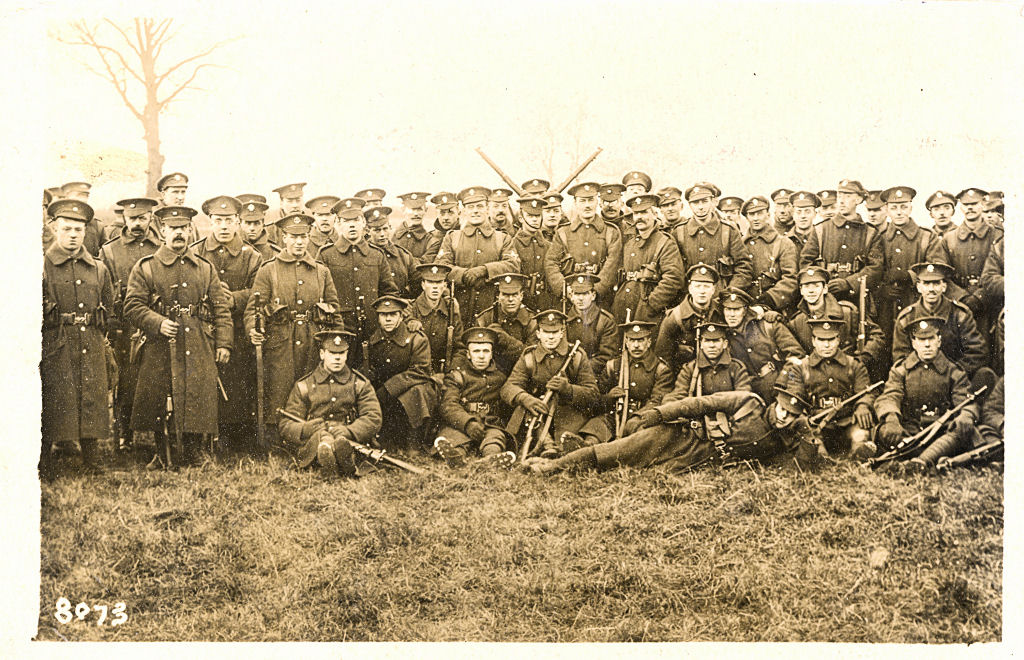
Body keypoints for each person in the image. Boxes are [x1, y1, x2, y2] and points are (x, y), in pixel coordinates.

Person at [123, 205, 233, 468]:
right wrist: (157, 322)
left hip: (198, 341)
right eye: (173, 229)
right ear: (162, 231)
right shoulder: (146, 268)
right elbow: (132, 306)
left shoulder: (205, 268)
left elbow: (221, 307)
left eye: (183, 228)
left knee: (197, 393)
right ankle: (162, 452)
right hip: (160, 344)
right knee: (160, 396)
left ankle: (194, 451)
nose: (179, 234)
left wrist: (224, 343)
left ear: (190, 230)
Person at [523, 379, 801, 476]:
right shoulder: (747, 402)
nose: (783, 417)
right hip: (680, 435)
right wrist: (656, 415)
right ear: (774, 401)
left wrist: (806, 430)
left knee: (633, 471)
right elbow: (698, 404)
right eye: (781, 409)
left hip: (700, 460)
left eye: (790, 416)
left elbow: (804, 465)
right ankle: (552, 466)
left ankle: (561, 460)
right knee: (617, 451)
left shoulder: (781, 440)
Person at [245, 213, 340, 451]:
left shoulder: (321, 271)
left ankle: (311, 438)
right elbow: (253, 309)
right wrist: (254, 330)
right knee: (279, 389)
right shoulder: (269, 270)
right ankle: (276, 441)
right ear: (284, 238)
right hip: (280, 341)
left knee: (312, 389)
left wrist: (334, 343)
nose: (299, 242)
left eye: (304, 237)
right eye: (293, 237)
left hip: (313, 339)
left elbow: (334, 308)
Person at [41, 199, 115, 477]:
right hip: (55, 342)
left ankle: (92, 459)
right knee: (54, 398)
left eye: (79, 230)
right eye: (67, 229)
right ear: (55, 229)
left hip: (91, 342)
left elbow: (108, 306)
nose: (73, 235)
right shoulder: (42, 266)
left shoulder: (98, 269)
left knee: (91, 397)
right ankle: (44, 461)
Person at [193, 195, 264, 455]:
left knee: (238, 380)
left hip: (238, 328)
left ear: (238, 222)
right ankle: (210, 434)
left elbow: (259, 292)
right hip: (204, 327)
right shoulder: (197, 251)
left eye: (229, 220)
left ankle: (238, 435)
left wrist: (233, 298)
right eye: (218, 220)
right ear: (210, 221)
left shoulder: (251, 256)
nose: (224, 226)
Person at [874, 317, 979, 473]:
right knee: (885, 430)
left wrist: (966, 415)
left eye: (931, 338)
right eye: (921, 340)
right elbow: (890, 395)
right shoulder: (901, 370)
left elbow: (965, 401)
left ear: (939, 341)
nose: (927, 345)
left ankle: (919, 461)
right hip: (909, 431)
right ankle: (926, 458)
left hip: (940, 432)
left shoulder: (953, 371)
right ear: (913, 343)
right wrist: (891, 417)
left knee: (961, 430)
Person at [99, 197, 162, 452]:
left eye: (143, 218)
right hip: (122, 325)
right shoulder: (110, 251)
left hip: (153, 322)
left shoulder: (160, 247)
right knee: (124, 380)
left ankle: (158, 433)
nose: (137, 224)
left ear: (150, 219)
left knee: (153, 377)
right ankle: (124, 434)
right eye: (133, 218)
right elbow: (103, 288)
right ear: (124, 218)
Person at [278, 329, 383, 478]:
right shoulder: (304, 385)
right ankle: (333, 459)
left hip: (349, 439)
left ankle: (339, 459)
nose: (337, 358)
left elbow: (373, 417)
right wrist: (304, 429)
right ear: (322, 354)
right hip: (315, 441)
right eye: (332, 353)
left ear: (347, 355)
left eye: (341, 354)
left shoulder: (359, 384)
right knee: (323, 441)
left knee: (342, 443)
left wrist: (350, 431)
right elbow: (286, 424)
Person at [500, 309, 600, 458]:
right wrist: (525, 398)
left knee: (570, 441)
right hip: (537, 414)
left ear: (562, 332)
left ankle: (561, 446)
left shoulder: (577, 355)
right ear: (538, 333)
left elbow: (593, 394)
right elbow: (509, 387)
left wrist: (569, 389)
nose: (551, 337)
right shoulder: (529, 356)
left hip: (568, 415)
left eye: (555, 332)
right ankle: (546, 445)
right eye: (546, 332)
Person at [776, 318, 877, 461]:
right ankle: (821, 457)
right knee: (812, 442)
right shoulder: (800, 368)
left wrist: (863, 405)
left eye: (831, 339)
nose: (827, 345)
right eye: (821, 340)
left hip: (846, 421)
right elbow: (795, 396)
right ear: (813, 341)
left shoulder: (854, 365)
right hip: (817, 425)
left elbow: (866, 392)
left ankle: (858, 455)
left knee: (860, 434)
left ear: (838, 340)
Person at [564, 320, 674, 448]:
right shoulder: (614, 366)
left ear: (649, 342)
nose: (636, 345)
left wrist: (636, 418)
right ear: (626, 342)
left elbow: (657, 401)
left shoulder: (661, 369)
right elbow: (596, 398)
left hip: (642, 418)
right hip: (615, 415)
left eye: (640, 340)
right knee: (597, 426)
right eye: (632, 340)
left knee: (642, 436)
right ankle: (586, 446)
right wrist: (609, 398)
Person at [316, 199, 398, 363]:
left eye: (356, 220)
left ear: (363, 223)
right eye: (346, 221)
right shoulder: (326, 254)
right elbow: (319, 295)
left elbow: (389, 292)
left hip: (373, 331)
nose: (351, 225)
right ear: (338, 223)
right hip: (340, 331)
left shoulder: (376, 255)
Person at [434, 327, 516, 468]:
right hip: (462, 424)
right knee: (453, 438)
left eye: (486, 351)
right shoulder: (457, 376)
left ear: (492, 354)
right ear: (468, 354)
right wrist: (467, 423)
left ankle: (491, 460)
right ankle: (456, 458)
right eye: (476, 351)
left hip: (490, 423)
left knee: (494, 440)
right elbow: (449, 405)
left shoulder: (500, 377)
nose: (481, 356)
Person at [782, 266, 885, 378]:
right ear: (801, 290)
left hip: (849, 376)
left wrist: (862, 358)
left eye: (816, 286)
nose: (811, 291)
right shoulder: (797, 322)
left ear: (825, 288)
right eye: (806, 286)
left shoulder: (847, 312)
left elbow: (877, 336)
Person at [364, 295, 438, 452]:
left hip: (408, 393)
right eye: (384, 315)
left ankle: (414, 441)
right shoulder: (373, 341)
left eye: (393, 314)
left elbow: (420, 371)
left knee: (417, 391)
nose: (388, 319)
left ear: (401, 316)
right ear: (378, 317)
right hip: (387, 398)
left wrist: (389, 388)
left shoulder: (417, 339)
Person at [436, 186, 520, 321]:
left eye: (480, 206)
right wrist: (462, 275)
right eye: (470, 207)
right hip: (458, 310)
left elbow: (513, 265)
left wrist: (485, 270)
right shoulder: (452, 237)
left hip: (491, 310)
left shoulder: (502, 238)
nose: (475, 211)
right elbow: (440, 267)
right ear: (463, 211)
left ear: (487, 209)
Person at [874, 186, 943, 347]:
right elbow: (872, 269)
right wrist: (881, 288)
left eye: (904, 207)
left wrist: (910, 276)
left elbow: (937, 268)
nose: (899, 212)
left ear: (911, 208)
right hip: (885, 307)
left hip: (917, 304)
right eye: (894, 208)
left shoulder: (926, 237)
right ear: (887, 210)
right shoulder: (879, 237)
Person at [891, 262, 987, 378]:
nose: (931, 289)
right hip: (919, 380)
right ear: (919, 287)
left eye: (936, 283)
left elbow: (976, 352)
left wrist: (952, 375)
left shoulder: (960, 315)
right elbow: (901, 358)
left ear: (944, 287)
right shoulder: (906, 318)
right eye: (926, 283)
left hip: (954, 380)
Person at [799, 179, 883, 304]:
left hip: (858, 299)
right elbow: (806, 262)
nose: (842, 201)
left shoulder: (870, 233)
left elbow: (875, 268)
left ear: (859, 200)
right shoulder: (821, 229)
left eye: (847, 196)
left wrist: (849, 283)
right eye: (839, 196)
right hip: (823, 298)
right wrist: (822, 284)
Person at [936, 188, 1001, 343]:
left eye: (974, 203)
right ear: (960, 207)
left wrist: (980, 297)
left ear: (983, 205)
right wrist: (962, 297)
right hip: (960, 307)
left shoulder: (998, 235)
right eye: (966, 204)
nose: (970, 208)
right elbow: (942, 274)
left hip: (990, 305)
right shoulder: (949, 239)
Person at [544, 182, 623, 309]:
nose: (587, 205)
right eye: (582, 201)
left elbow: (612, 265)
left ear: (597, 201)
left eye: (591, 200)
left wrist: (594, 292)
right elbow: (551, 263)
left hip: (601, 301)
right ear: (575, 203)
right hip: (571, 301)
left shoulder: (611, 232)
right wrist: (567, 290)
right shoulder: (563, 232)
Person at [611, 193, 684, 326]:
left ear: (654, 214)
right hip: (622, 307)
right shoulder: (629, 242)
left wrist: (650, 305)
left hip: (649, 313)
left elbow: (673, 279)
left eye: (644, 212)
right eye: (636, 213)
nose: (639, 217)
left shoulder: (665, 242)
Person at [719, 288, 803, 403]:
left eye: (737, 309)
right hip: (747, 394)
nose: (731, 315)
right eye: (728, 309)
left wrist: (783, 380)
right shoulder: (723, 336)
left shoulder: (768, 325)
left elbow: (797, 356)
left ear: (745, 310)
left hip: (779, 389)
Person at [672, 183, 752, 293]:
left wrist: (729, 294)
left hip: (721, 297)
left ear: (713, 202)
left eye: (705, 201)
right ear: (690, 205)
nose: (700, 207)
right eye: (695, 202)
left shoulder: (728, 231)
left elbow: (744, 267)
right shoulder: (679, 232)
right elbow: (673, 270)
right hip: (688, 297)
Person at [655, 264, 722, 374]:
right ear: (690, 288)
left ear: (713, 289)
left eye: (706, 286)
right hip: (684, 377)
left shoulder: (721, 312)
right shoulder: (675, 317)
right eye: (698, 286)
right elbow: (663, 357)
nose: (702, 291)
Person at [740, 195, 799, 312]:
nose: (756, 218)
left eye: (760, 213)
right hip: (743, 307)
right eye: (752, 214)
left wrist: (769, 299)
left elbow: (791, 279)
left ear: (768, 215)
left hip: (774, 307)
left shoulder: (783, 243)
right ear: (747, 217)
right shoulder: (740, 244)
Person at [405, 263, 463, 373]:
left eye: (439, 282)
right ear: (423, 285)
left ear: (445, 286)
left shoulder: (451, 310)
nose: (435, 287)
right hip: (417, 372)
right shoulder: (411, 310)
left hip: (444, 371)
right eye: (430, 282)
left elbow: (460, 348)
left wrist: (452, 370)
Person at [474, 273, 538, 375]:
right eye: (505, 295)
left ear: (521, 296)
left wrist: (506, 340)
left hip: (522, 374)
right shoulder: (485, 319)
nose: (511, 299)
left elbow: (532, 357)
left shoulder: (532, 320)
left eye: (515, 294)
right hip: (491, 374)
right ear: (498, 296)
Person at [564, 274, 618, 378]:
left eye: (585, 294)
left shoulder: (605, 321)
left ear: (593, 295)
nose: (580, 298)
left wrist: (580, 371)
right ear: (571, 296)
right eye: (577, 294)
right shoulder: (564, 319)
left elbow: (606, 356)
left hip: (593, 375)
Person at [510, 196, 554, 311]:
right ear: (521, 218)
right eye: (530, 216)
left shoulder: (548, 246)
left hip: (545, 303)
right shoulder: (512, 245)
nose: (535, 220)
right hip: (521, 304)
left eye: (537, 216)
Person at [366, 206, 418, 298]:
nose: (382, 234)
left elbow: (417, 282)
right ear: (368, 231)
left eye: (385, 229)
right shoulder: (364, 255)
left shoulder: (403, 255)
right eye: (377, 230)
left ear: (390, 228)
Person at [57, 182, 104, 257]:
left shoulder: (97, 226)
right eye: (79, 195)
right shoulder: (54, 224)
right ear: (67, 196)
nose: (83, 199)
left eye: (86, 196)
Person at [153, 173, 199, 244]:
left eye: (183, 192)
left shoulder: (188, 217)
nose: (180, 197)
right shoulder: (153, 218)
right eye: (175, 192)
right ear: (163, 194)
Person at [422, 191, 460, 263]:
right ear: (436, 213)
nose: (446, 217)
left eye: (450, 212)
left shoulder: (464, 236)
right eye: (442, 213)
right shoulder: (428, 238)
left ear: (458, 212)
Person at [392, 192, 432, 258]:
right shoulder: (390, 235)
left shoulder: (430, 240)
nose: (416, 214)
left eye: (419, 209)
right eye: (412, 209)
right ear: (403, 210)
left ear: (425, 210)